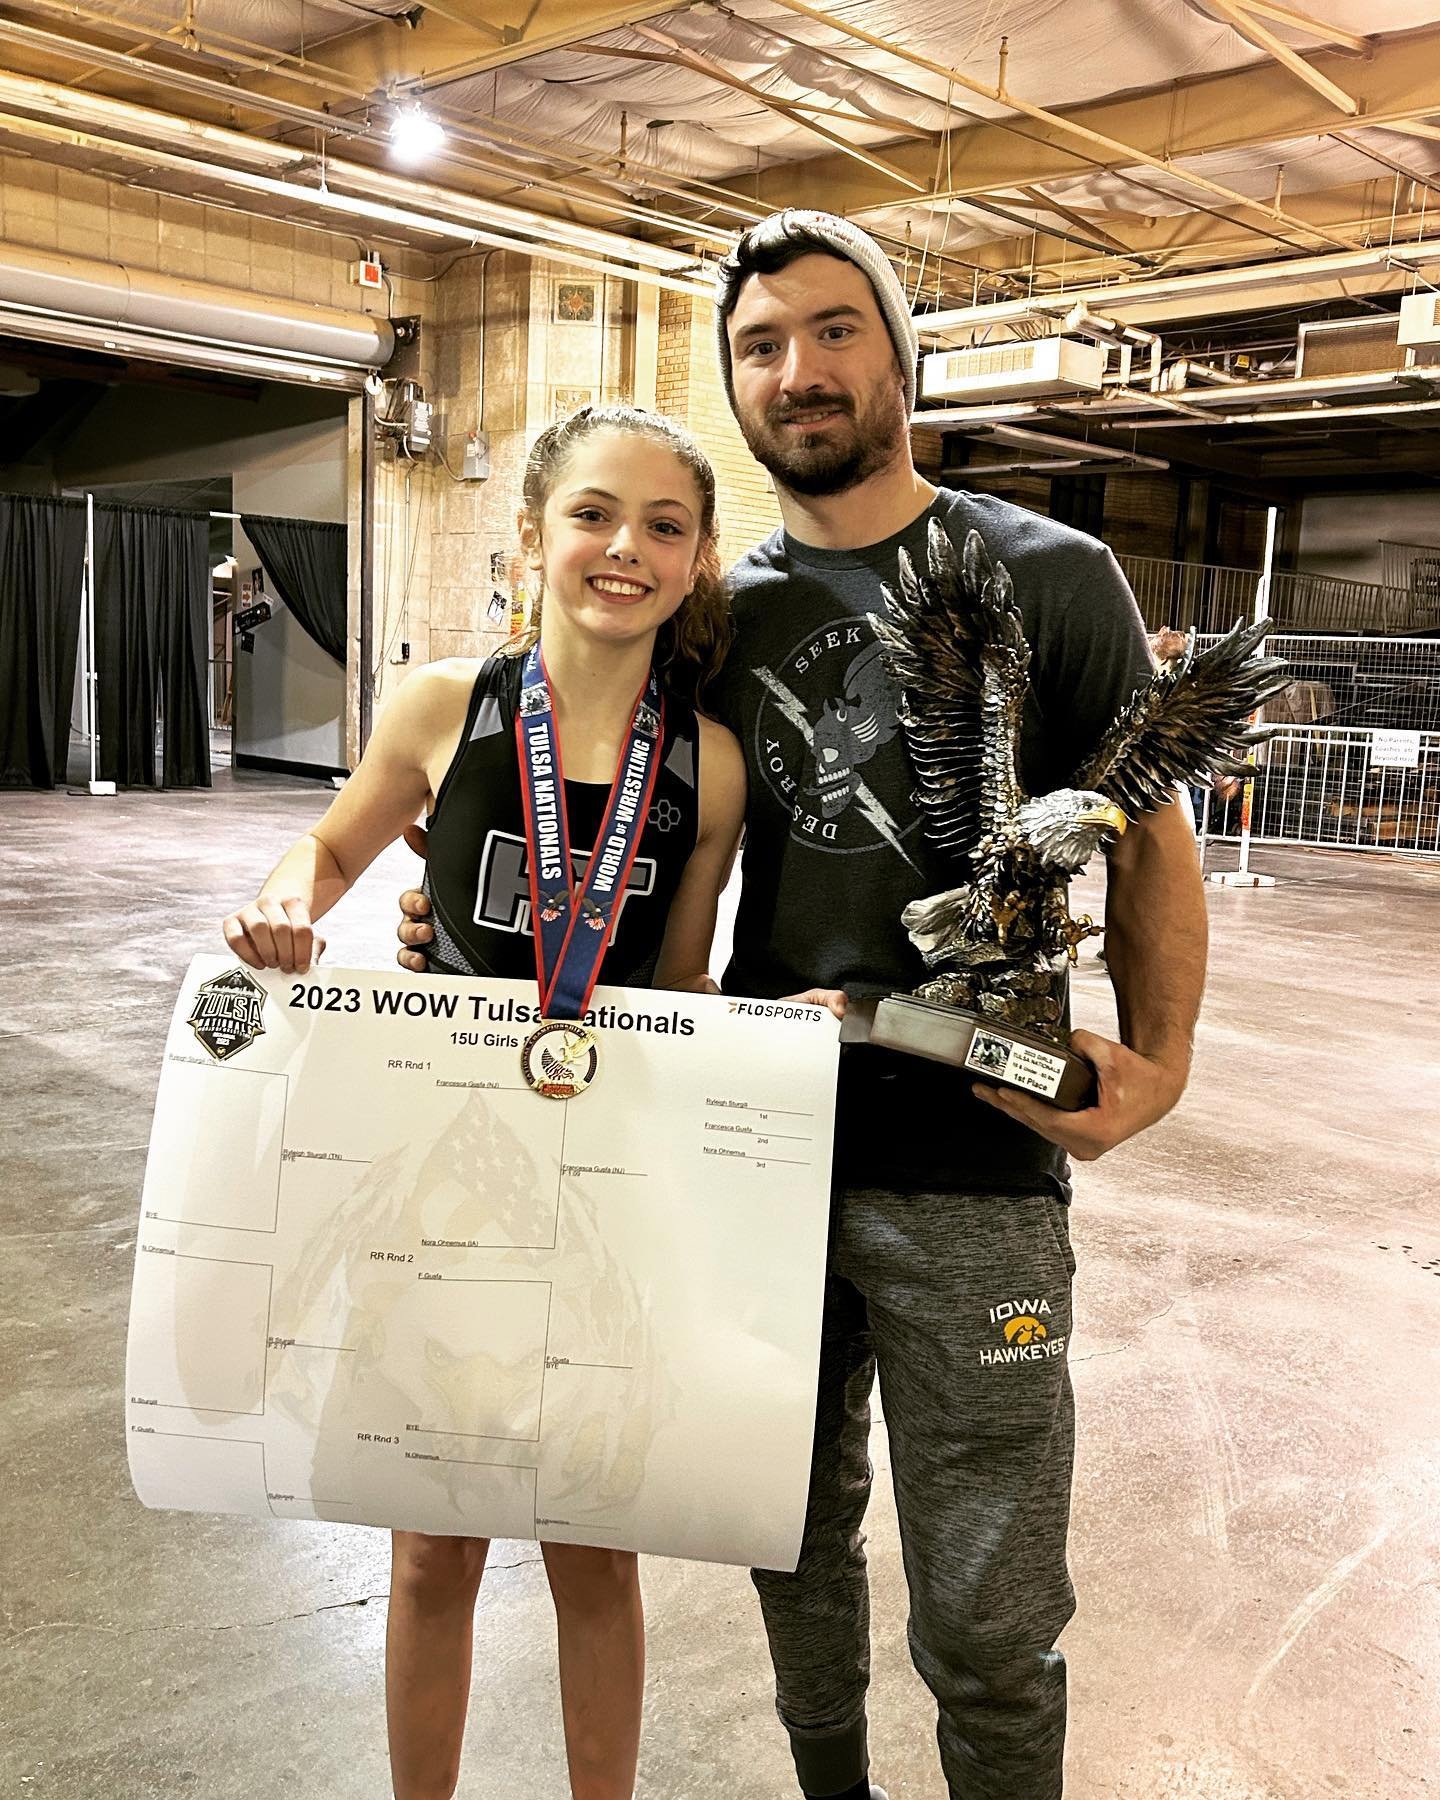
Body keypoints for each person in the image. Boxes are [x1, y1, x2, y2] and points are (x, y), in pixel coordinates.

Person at [398, 214, 1209, 1800]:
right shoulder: (720, 606)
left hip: (978, 1152)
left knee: (987, 1599)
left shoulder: (1051, 576)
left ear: (900, 357)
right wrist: (453, 903)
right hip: (758, 1145)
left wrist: (1165, 1062)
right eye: (761, 347)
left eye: (836, 332)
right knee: (789, 1540)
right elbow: (610, 795)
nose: (800, 370)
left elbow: (1152, 823)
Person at [220, 403, 748, 1800]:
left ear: (695, 563)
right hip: (436, 1165)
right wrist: (283, 910)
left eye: (663, 525)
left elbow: (682, 978)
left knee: (594, 1536)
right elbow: (325, 853)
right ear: (534, 534)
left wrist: (752, 1066)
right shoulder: (447, 708)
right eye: (592, 514)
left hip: (603, 1175)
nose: (624, 547)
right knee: (432, 1543)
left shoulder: (710, 763)